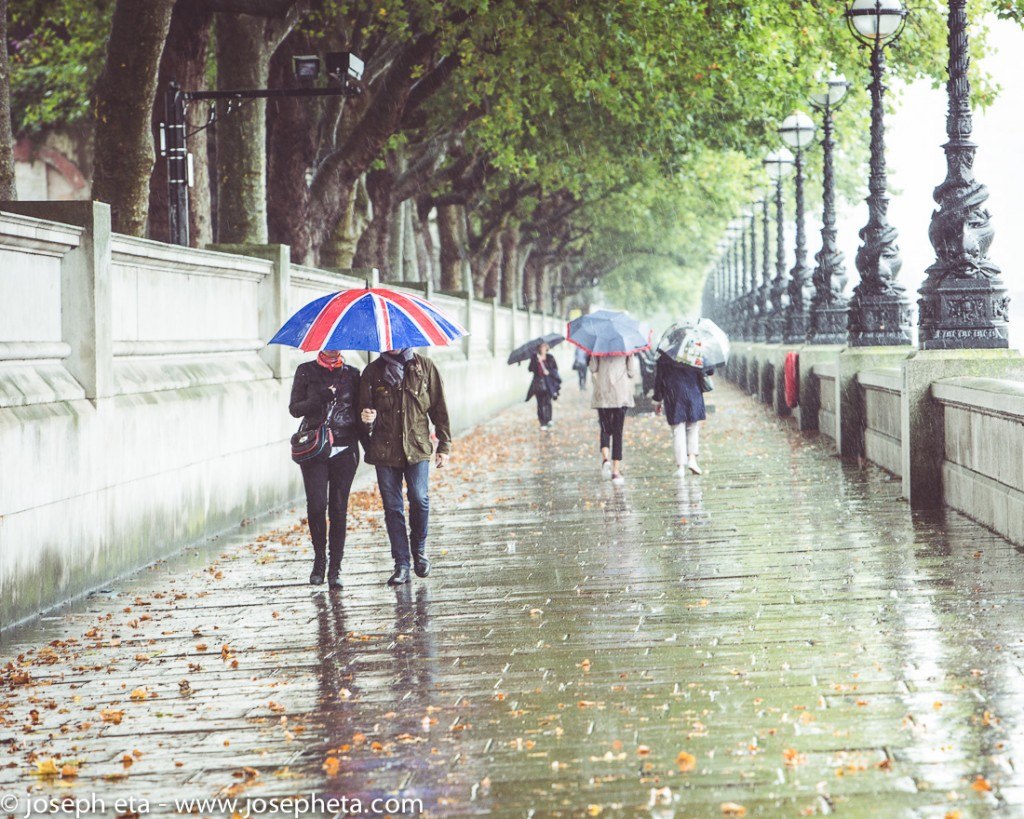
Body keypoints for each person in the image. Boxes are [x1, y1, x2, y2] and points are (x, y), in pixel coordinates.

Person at [359, 348, 451, 586]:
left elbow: (439, 407)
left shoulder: (425, 367)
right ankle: (401, 564)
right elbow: (362, 413)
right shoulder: (372, 372)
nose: (395, 345)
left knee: (420, 498)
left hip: (417, 448)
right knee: (393, 508)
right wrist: (367, 419)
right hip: (385, 450)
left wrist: (444, 445)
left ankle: (419, 551)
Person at [289, 349, 368, 590]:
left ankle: (335, 568)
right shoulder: (306, 371)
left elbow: (359, 411)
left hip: (345, 448)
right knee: (316, 505)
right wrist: (319, 398)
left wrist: (369, 433)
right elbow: (294, 408)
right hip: (315, 448)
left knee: (338, 508)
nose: (333, 347)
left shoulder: (354, 374)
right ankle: (319, 561)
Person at [652, 350, 713, 476]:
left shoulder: (665, 354)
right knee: (692, 427)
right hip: (692, 391)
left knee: (677, 430)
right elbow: (709, 370)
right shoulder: (694, 350)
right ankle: (692, 459)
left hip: (673, 394)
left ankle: (680, 467)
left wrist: (658, 399)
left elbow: (659, 379)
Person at [589, 353, 639, 485]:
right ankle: (616, 472)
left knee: (605, 429)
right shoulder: (626, 347)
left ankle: (606, 460)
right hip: (620, 395)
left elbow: (593, 368)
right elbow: (631, 372)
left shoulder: (598, 347)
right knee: (618, 433)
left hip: (603, 393)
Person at [526, 342, 560, 429]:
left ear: (547, 347)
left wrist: (548, 371)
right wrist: (537, 362)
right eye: (541, 347)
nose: (543, 349)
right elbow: (530, 369)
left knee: (548, 401)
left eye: (544, 347)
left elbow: (555, 369)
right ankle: (542, 422)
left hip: (548, 383)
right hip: (538, 383)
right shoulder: (535, 357)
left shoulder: (550, 357)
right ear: (539, 348)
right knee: (540, 403)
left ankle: (549, 419)